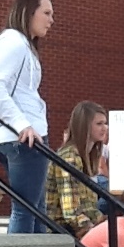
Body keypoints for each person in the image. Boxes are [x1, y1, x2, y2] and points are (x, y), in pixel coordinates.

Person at [0, 0, 54, 234]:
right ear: (29, 13)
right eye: (47, 13)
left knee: (35, 208)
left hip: (17, 136)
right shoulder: (14, 42)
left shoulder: (18, 44)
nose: (51, 20)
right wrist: (22, 125)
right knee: (26, 209)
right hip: (23, 137)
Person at [45, 101, 107, 238]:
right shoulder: (70, 157)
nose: (104, 128)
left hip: (79, 225)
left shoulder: (87, 155)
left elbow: (87, 205)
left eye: (105, 123)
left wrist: (103, 222)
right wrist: (95, 231)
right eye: (99, 124)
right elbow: (70, 210)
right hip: (61, 230)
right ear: (84, 126)